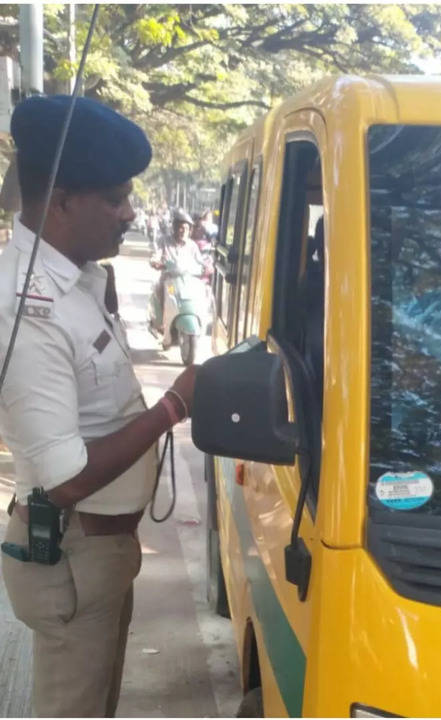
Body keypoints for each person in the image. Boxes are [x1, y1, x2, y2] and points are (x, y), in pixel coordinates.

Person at [0, 94, 198, 717]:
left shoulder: (80, 283)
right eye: (114, 198)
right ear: (61, 201)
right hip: (72, 556)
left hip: (102, 556)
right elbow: (64, 478)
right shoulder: (25, 306)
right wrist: (172, 407)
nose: (129, 214)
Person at [150, 209, 210, 338]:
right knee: (160, 289)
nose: (183, 231)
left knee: (203, 292)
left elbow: (200, 261)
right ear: (174, 228)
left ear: (190, 230)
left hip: (188, 281)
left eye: (186, 228)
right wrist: (156, 262)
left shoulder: (192, 245)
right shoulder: (164, 241)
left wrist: (207, 266)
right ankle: (161, 323)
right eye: (180, 228)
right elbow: (157, 255)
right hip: (169, 280)